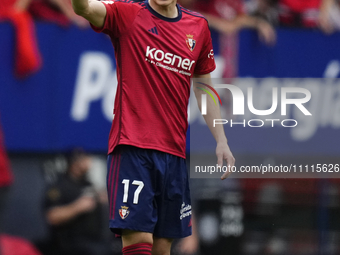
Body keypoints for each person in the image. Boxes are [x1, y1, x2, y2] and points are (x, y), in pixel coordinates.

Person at [71, 0, 235, 254]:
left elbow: (204, 88)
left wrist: (221, 139)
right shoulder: (129, 14)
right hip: (133, 149)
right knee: (138, 242)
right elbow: (85, 9)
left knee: (161, 248)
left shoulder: (198, 26)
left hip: (174, 156)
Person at [44, 148, 110, 255]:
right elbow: (52, 217)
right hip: (70, 245)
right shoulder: (59, 187)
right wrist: (78, 207)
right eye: (84, 159)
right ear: (75, 163)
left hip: (95, 241)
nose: (89, 162)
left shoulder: (87, 183)